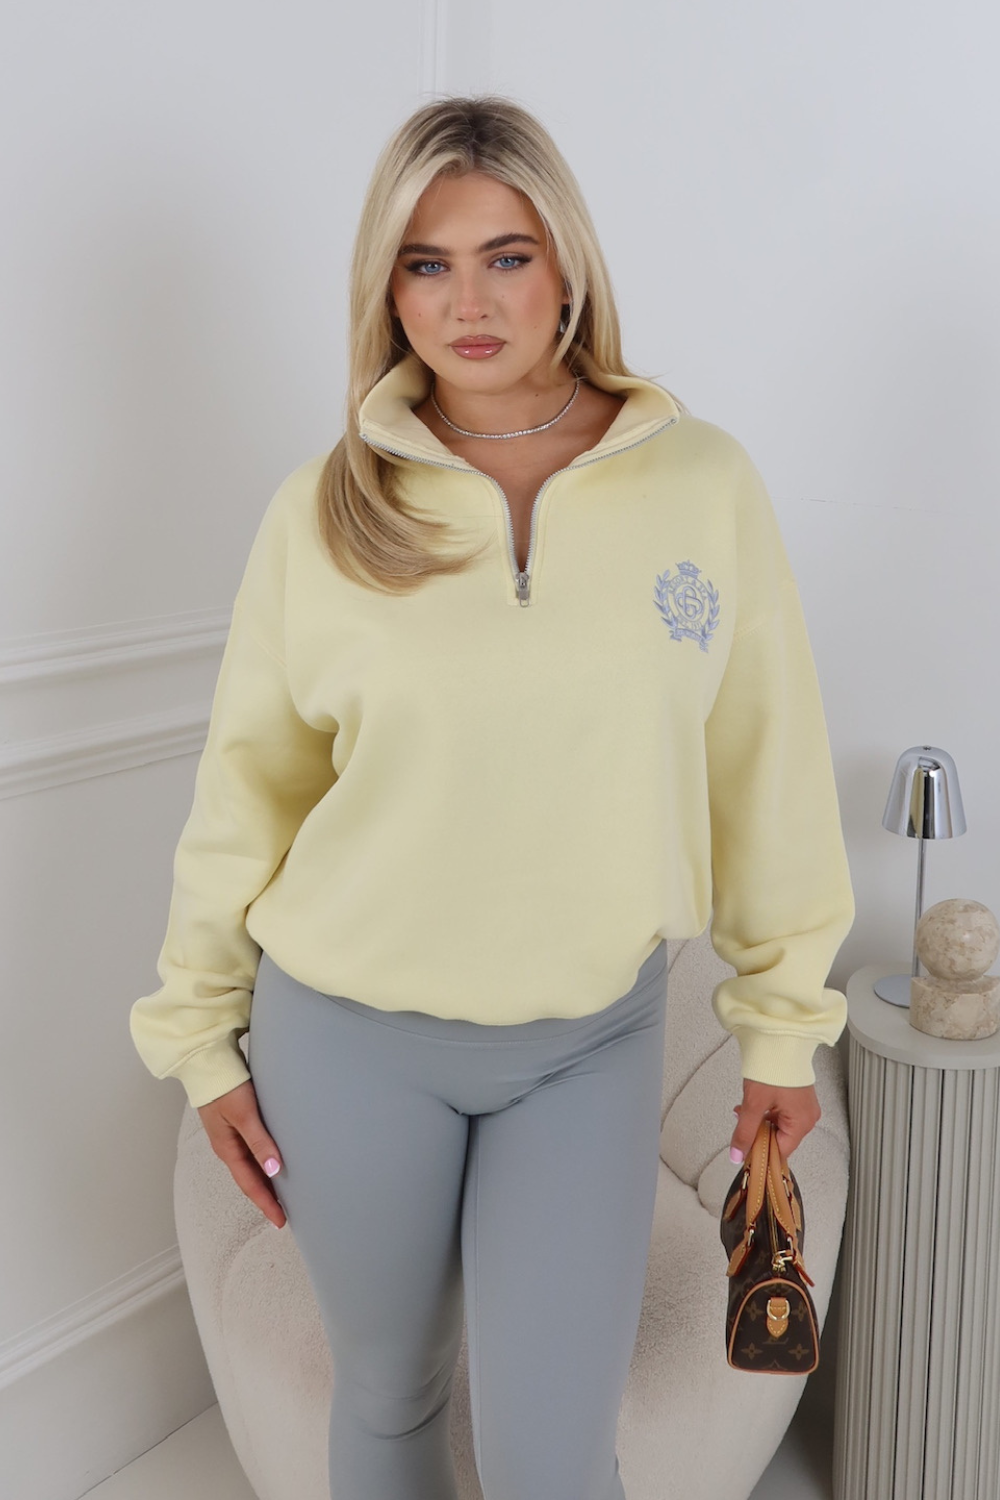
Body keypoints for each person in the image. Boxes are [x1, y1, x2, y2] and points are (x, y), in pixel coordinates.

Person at [130, 95, 855, 1500]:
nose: (468, 303)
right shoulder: (324, 510)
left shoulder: (702, 485)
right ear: (386, 289)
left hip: (584, 1048)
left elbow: (768, 765)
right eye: (427, 263)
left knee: (551, 1457)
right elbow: (246, 793)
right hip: (346, 1039)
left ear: (568, 266)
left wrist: (781, 1030)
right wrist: (201, 1040)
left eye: (506, 256)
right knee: (388, 1397)